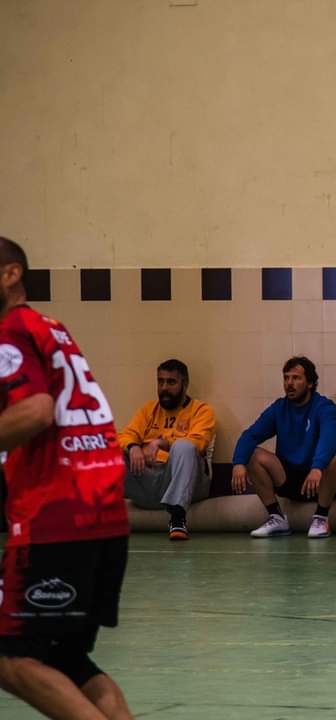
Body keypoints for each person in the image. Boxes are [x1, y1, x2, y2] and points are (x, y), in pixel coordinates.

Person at [0, 236, 133, 718]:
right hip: (102, 516)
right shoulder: (49, 327)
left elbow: (34, 411)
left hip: (55, 516)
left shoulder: (11, 331)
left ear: (11, 274)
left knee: (11, 658)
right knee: (64, 659)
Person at [230, 356, 336, 538]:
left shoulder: (325, 407)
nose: (289, 383)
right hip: (290, 478)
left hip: (319, 477)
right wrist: (238, 463)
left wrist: (316, 468)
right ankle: (276, 517)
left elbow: (329, 439)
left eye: (296, 378)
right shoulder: (279, 408)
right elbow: (250, 435)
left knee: (335, 460)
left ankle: (321, 517)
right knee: (251, 454)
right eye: (286, 378)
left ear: (310, 383)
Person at [118, 359, 216, 541]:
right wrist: (133, 448)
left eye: (171, 382)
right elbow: (125, 435)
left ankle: (178, 519)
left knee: (184, 446)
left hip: (188, 482)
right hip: (149, 482)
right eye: (160, 381)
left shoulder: (201, 410)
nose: (164, 388)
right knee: (109, 450)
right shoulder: (148, 409)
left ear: (185, 384)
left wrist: (161, 443)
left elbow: (198, 444)